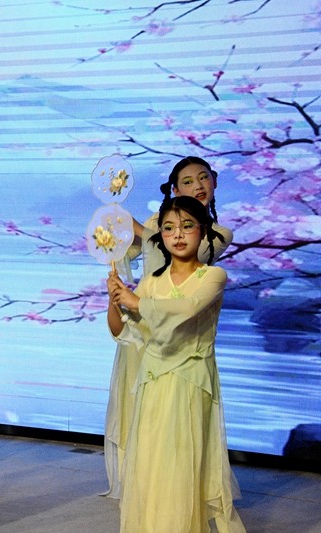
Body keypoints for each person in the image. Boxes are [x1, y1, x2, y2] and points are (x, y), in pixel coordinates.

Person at [106, 196, 245, 533]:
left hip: (190, 384)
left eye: (187, 226)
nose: (178, 234)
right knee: (151, 467)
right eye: (168, 228)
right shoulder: (152, 282)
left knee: (182, 467)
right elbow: (124, 331)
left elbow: (187, 308)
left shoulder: (213, 276)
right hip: (153, 385)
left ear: (203, 231)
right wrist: (114, 299)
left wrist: (136, 301)